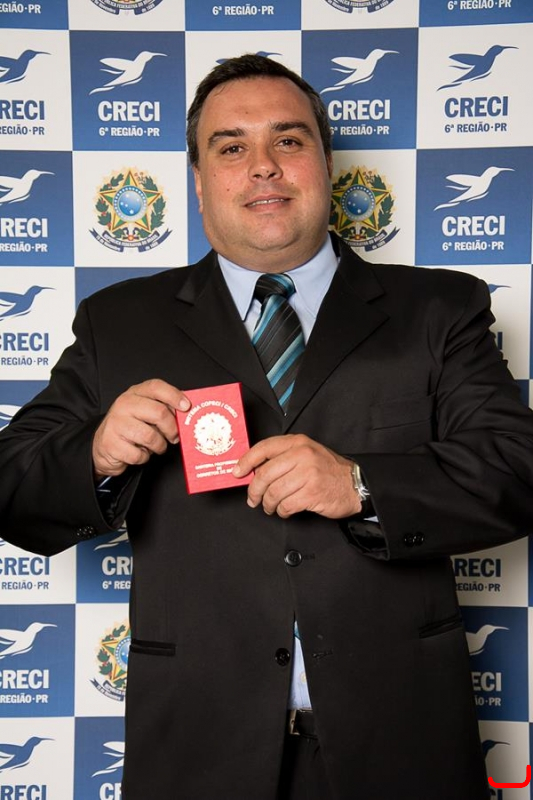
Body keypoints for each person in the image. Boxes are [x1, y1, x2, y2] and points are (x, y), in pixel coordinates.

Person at [0, 54, 532, 800]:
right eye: (230, 146)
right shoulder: (118, 322)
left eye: (288, 140)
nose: (262, 167)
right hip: (197, 748)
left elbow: (515, 469)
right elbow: (11, 487)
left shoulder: (438, 309)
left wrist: (360, 485)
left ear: (325, 163)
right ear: (197, 179)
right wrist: (94, 454)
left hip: (400, 741)